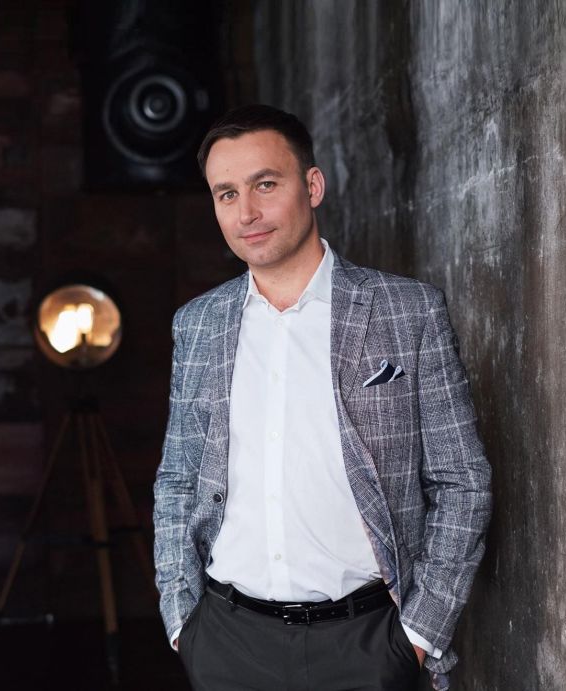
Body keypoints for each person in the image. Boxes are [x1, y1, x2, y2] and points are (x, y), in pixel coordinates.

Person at [153, 104, 491, 691]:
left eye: (265, 184)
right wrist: (183, 620)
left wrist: (418, 634)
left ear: (312, 186)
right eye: (227, 194)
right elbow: (179, 479)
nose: (246, 212)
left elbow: (462, 480)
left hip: (368, 643)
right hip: (227, 642)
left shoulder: (407, 311)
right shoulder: (198, 324)